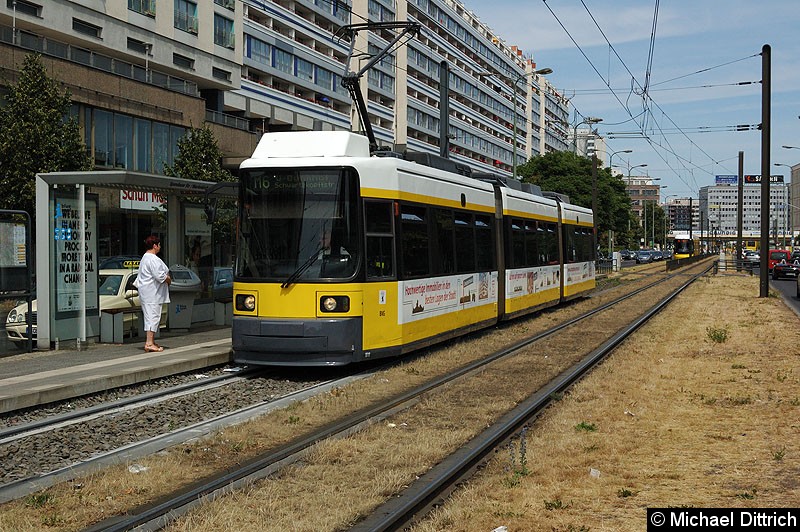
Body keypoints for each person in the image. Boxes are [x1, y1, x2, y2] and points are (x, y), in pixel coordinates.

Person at [137, 235, 171, 352]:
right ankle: (149, 343)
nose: (160, 247)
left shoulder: (145, 258)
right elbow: (159, 275)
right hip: (152, 293)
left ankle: (150, 341)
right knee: (153, 316)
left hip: (147, 292)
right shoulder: (152, 259)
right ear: (155, 245)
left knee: (150, 316)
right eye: (159, 244)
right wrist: (168, 279)